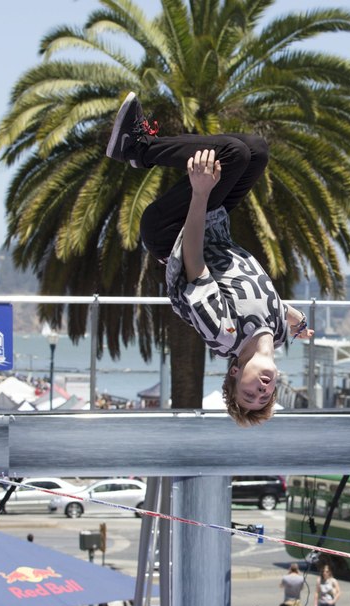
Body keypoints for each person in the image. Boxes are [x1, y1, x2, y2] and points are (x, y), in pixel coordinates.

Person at [105, 93, 314, 427]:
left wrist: (201, 191)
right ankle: (139, 148)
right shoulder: (274, 333)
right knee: (256, 152)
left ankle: (137, 147)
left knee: (232, 155)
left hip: (173, 233)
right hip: (213, 223)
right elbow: (260, 299)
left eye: (248, 394)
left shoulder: (224, 334)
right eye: (265, 396)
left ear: (234, 373)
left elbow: (193, 264)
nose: (261, 391)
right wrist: (292, 318)